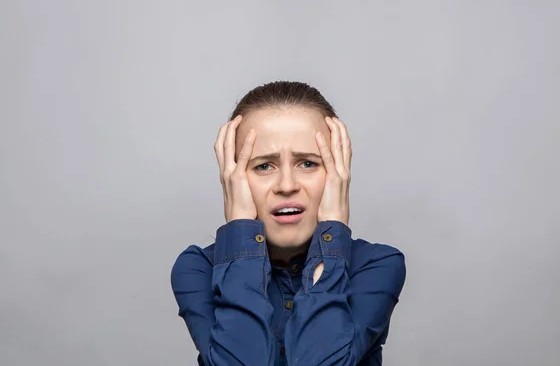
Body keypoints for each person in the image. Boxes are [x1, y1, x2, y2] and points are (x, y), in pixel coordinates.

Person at [170, 81, 406, 365]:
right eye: (263, 166)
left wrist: (333, 228)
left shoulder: (376, 264)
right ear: (233, 177)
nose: (286, 185)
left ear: (337, 174)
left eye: (308, 163)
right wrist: (240, 227)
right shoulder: (198, 268)